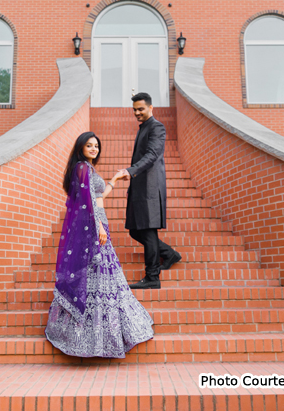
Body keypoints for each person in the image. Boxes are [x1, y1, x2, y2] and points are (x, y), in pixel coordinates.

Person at [44, 132, 154, 358]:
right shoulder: (82, 168)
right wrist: (99, 227)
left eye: (96, 146)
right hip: (93, 226)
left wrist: (113, 181)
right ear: (80, 147)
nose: (94, 149)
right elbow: (86, 203)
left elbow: (99, 197)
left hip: (98, 222)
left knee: (103, 276)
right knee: (97, 273)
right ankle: (89, 335)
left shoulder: (88, 169)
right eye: (89, 145)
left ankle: (102, 333)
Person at [115, 93, 182, 290]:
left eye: (141, 109)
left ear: (151, 108)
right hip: (140, 187)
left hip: (151, 188)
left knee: (148, 231)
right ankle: (169, 254)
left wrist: (130, 171)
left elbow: (153, 155)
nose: (137, 113)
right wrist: (133, 184)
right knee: (135, 230)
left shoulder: (156, 127)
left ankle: (152, 276)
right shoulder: (143, 128)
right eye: (134, 109)